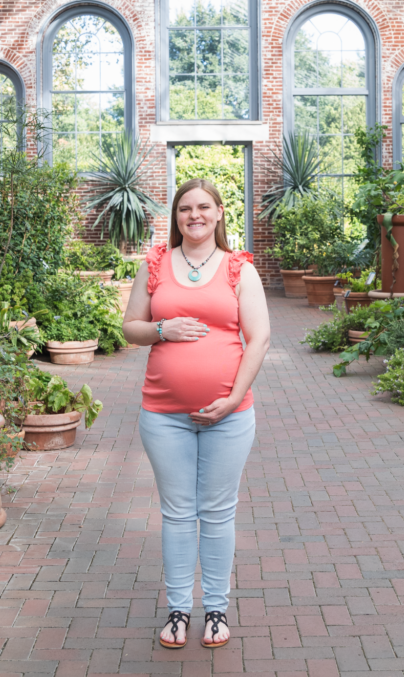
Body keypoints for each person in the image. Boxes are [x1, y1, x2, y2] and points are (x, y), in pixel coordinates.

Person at [123, 178, 271, 650]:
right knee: (178, 513)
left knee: (218, 512)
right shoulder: (155, 265)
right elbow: (130, 328)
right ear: (176, 216)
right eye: (185, 208)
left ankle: (216, 611)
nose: (194, 215)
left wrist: (232, 398)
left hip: (229, 415)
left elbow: (260, 338)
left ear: (220, 213)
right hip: (164, 414)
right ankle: (178, 611)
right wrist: (162, 328)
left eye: (204, 207)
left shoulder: (238, 269)